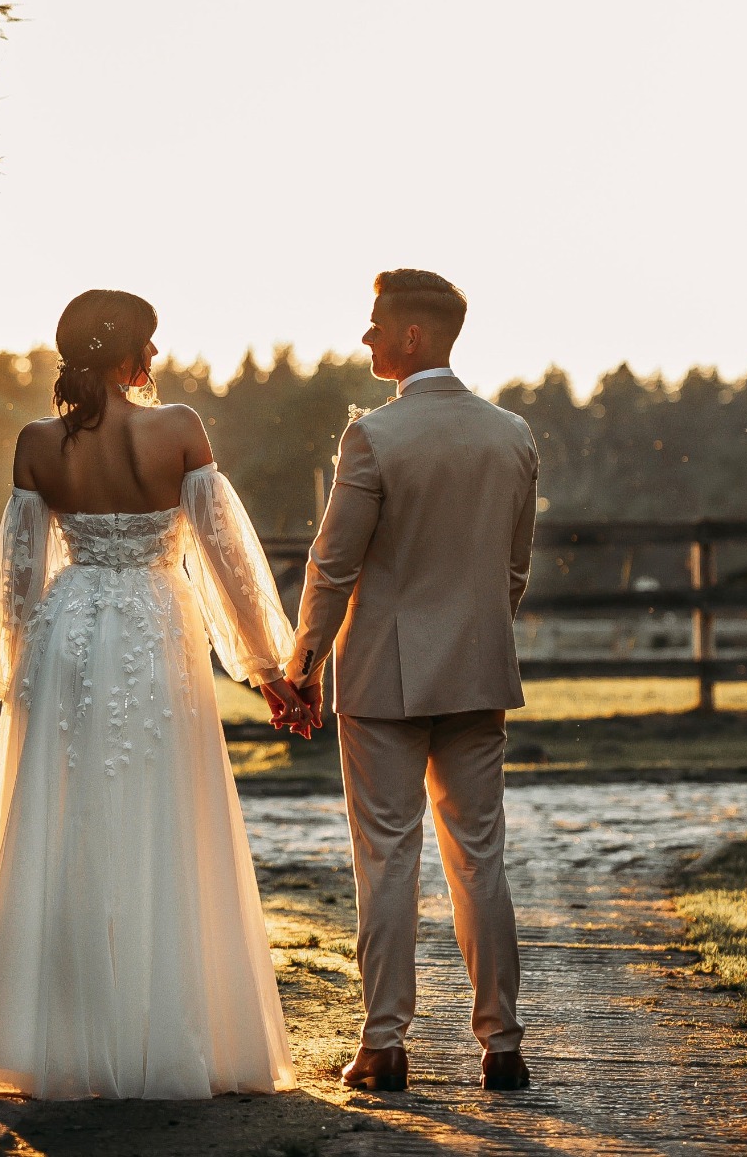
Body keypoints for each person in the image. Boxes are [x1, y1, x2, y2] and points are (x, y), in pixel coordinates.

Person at [0, 288, 309, 1100]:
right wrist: (269, 669)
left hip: (67, 635)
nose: (156, 357)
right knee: (164, 815)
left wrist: (19, 663)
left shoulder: (37, 443)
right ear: (124, 355)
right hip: (155, 630)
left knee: (66, 823)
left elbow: (18, 578)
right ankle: (165, 1037)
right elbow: (226, 561)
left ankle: (64, 1039)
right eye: (148, 343)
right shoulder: (177, 427)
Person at [286, 268, 539, 1093]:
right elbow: (513, 570)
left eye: (376, 327)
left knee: (387, 858)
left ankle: (384, 1045)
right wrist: (476, 636)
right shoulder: (513, 435)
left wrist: (303, 664)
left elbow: (333, 565)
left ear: (413, 339)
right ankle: (502, 1046)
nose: (366, 339)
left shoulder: (374, 437)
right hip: (477, 671)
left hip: (384, 680)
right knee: (480, 858)